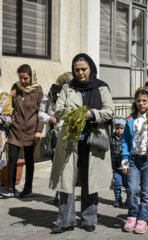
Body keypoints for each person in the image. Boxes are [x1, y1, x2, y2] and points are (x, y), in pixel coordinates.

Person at [49, 53, 114, 233]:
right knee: (66, 181)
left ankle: (89, 219)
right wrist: (73, 114)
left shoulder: (101, 87)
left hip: (93, 142)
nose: (80, 73)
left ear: (90, 68)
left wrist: (92, 114)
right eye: (77, 70)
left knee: (90, 181)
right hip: (71, 142)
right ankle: (65, 221)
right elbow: (58, 110)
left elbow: (110, 111)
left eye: (83, 69)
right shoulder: (68, 88)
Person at [121, 87, 148, 234]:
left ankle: (143, 218)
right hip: (133, 160)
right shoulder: (130, 121)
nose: (141, 103)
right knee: (132, 189)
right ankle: (132, 215)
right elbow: (125, 142)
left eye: (144, 101)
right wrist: (125, 161)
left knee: (146, 192)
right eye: (138, 101)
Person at [1, 64, 44, 198]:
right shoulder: (16, 87)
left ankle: (28, 188)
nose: (23, 81)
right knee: (12, 159)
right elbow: (9, 107)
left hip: (31, 131)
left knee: (29, 160)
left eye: (25, 78)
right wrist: (10, 97)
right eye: (21, 78)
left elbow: (41, 112)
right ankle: (11, 188)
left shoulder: (38, 90)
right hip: (15, 130)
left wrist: (39, 131)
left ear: (31, 76)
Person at [38, 72, 73, 204]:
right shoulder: (50, 94)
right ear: (60, 84)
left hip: (69, 135)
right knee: (56, 165)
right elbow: (41, 113)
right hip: (55, 134)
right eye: (66, 85)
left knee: (67, 166)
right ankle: (59, 192)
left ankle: (63, 194)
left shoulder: (73, 95)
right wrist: (48, 118)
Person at [110, 116, 128, 208]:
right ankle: (118, 199)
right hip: (116, 166)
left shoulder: (126, 139)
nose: (119, 130)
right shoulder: (111, 138)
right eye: (117, 128)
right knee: (117, 184)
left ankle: (129, 199)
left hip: (125, 167)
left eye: (121, 128)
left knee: (126, 184)